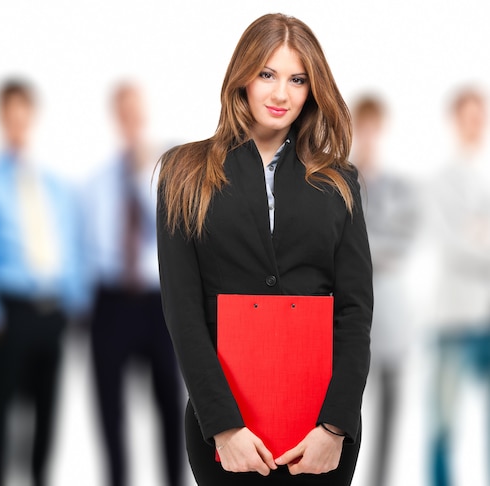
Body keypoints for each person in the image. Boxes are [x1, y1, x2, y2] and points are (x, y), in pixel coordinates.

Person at [156, 13, 373, 486]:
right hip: (227, 430)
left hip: (320, 433)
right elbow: (182, 310)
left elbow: (355, 312)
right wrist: (224, 427)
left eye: (297, 80)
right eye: (267, 75)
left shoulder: (339, 180)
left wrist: (335, 427)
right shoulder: (184, 173)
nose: (281, 94)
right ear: (242, 78)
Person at [0, 79, 89, 486]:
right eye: (10, 116)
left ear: (32, 118)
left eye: (23, 115)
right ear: (0, 118)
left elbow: (70, 245)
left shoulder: (54, 186)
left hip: (53, 310)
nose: (17, 123)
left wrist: (75, 302)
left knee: (47, 411)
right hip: (10, 309)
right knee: (2, 410)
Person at [84, 82, 184, 486]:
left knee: (170, 405)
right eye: (121, 110)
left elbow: (171, 226)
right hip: (110, 302)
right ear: (114, 116)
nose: (129, 118)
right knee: (110, 410)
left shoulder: (171, 166)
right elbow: (89, 247)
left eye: (135, 110)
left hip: (159, 301)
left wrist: (144, 170)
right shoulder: (98, 181)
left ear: (145, 113)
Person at [350, 95, 418, 486]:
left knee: (392, 413)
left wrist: (363, 247)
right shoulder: (336, 183)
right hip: (351, 320)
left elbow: (405, 244)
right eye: (364, 127)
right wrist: (378, 246)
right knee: (345, 413)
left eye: (375, 128)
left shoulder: (400, 188)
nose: (369, 136)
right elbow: (336, 246)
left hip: (391, 318)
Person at [426, 86, 490, 486]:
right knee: (444, 425)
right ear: (455, 121)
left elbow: (471, 241)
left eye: (479, 117)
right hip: (453, 320)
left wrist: (475, 232)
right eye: (467, 116)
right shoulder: (441, 180)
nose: (474, 124)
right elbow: (452, 248)